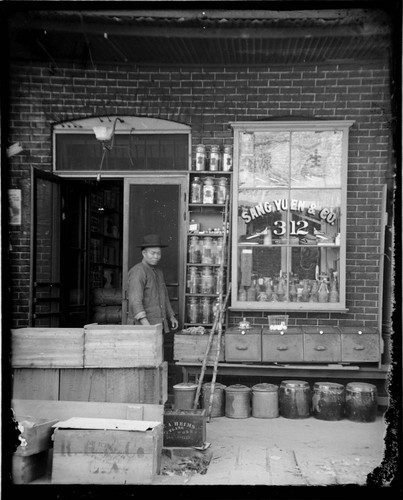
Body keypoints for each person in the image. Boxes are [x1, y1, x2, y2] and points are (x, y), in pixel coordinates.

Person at [127, 234, 178, 333]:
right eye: (152, 253)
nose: (156, 256)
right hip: (143, 327)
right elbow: (135, 300)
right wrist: (147, 327)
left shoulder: (158, 272)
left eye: (159, 253)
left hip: (158, 324)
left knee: (158, 348)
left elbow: (165, 296)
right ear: (144, 253)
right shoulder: (138, 271)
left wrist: (171, 316)